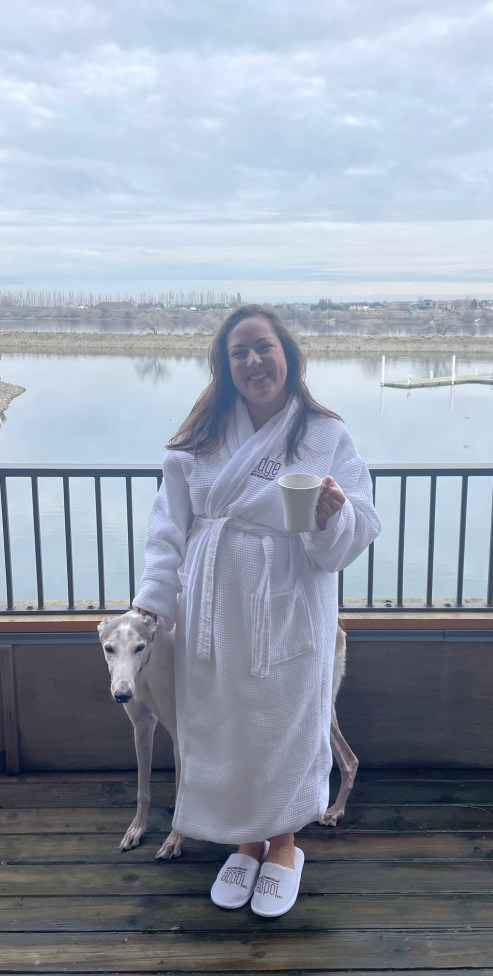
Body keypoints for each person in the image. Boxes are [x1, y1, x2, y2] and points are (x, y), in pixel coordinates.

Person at [132, 304, 381, 917]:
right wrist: (153, 604)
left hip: (291, 604)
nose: (253, 360)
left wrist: (331, 519)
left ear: (287, 354)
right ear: (226, 367)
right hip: (213, 607)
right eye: (238, 352)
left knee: (284, 722)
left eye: (263, 346)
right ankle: (246, 839)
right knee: (227, 723)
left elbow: (354, 531)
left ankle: (285, 844)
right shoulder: (200, 436)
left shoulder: (324, 434)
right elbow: (168, 528)